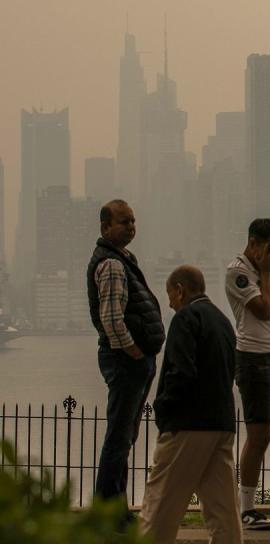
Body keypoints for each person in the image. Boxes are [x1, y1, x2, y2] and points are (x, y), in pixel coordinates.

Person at [140, 266, 242, 544]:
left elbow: (180, 371)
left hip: (187, 423)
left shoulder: (185, 318)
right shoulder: (223, 322)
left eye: (170, 295)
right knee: (223, 511)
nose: (170, 302)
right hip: (221, 423)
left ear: (180, 290)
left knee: (159, 505)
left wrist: (163, 409)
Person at [87, 199, 165, 524]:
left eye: (133, 221)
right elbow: (111, 319)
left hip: (131, 360)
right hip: (126, 361)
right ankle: (107, 512)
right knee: (119, 437)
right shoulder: (113, 264)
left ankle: (116, 508)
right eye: (123, 222)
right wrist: (133, 351)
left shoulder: (122, 259)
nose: (131, 227)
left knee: (125, 436)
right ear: (106, 227)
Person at [225, 218, 270, 530]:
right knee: (258, 433)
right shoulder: (237, 272)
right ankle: (246, 509)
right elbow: (263, 310)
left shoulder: (269, 271)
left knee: (265, 434)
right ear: (253, 244)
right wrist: (264, 271)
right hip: (253, 358)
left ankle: (249, 506)